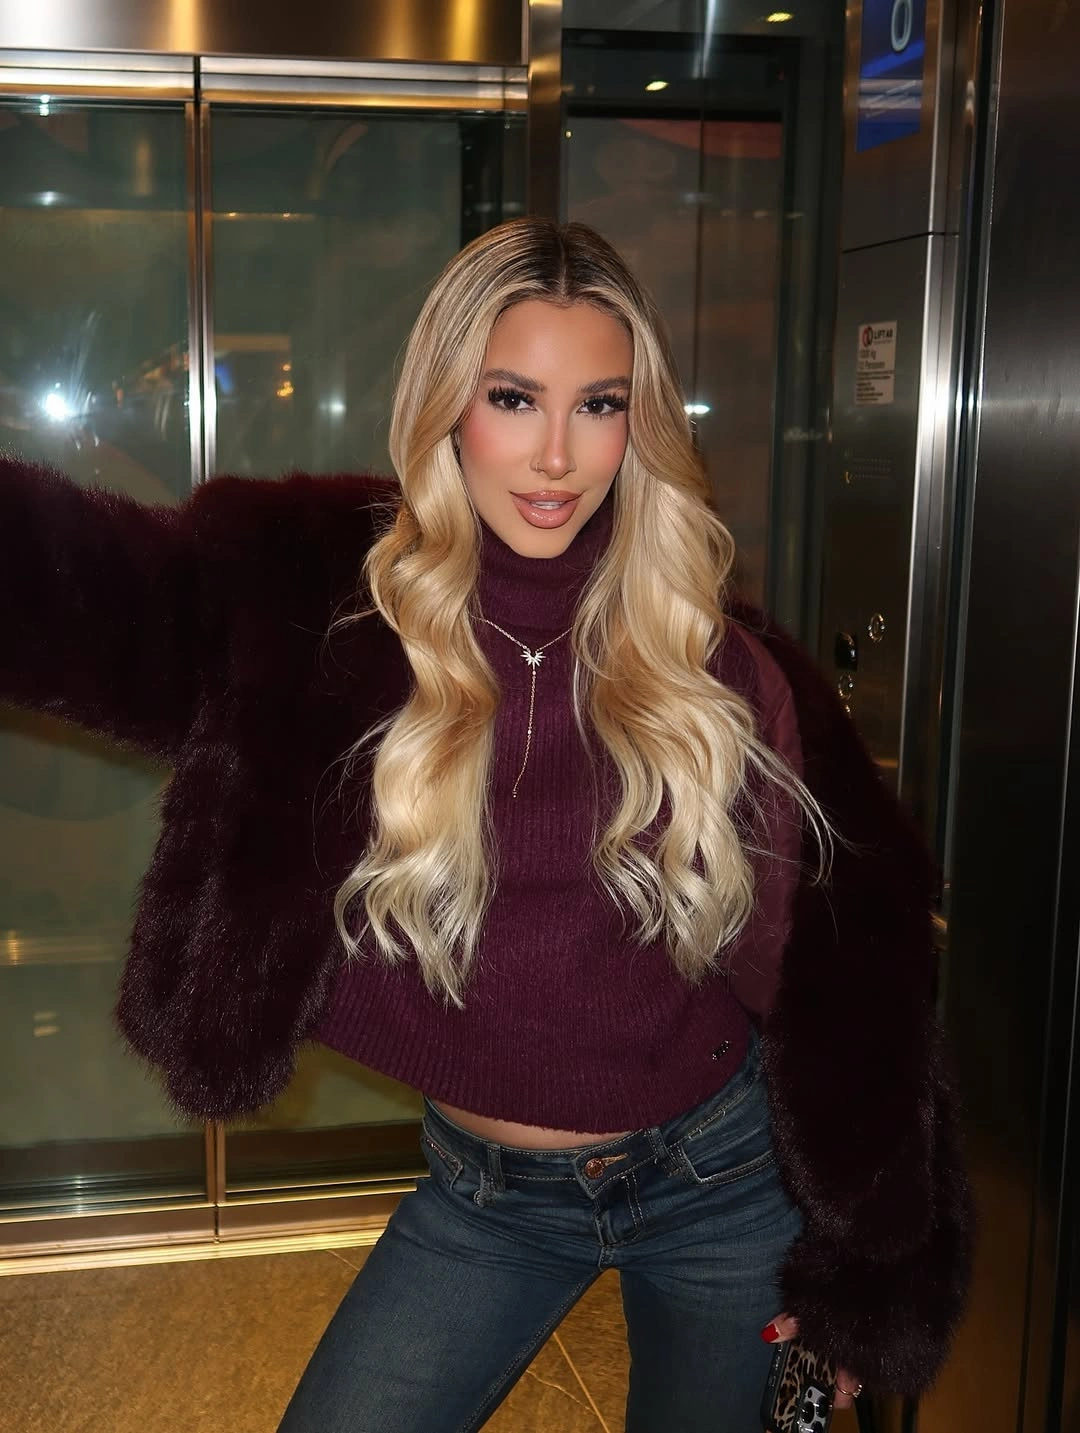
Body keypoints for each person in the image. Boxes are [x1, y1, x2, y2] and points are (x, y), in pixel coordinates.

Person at [0, 219, 971, 1432]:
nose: (557, 454)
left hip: (721, 1180)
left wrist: (862, 1264)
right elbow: (72, 593)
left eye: (599, 405)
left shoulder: (715, 659)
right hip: (488, 1197)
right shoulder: (318, 620)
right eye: (514, 398)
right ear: (447, 405)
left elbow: (842, 977)